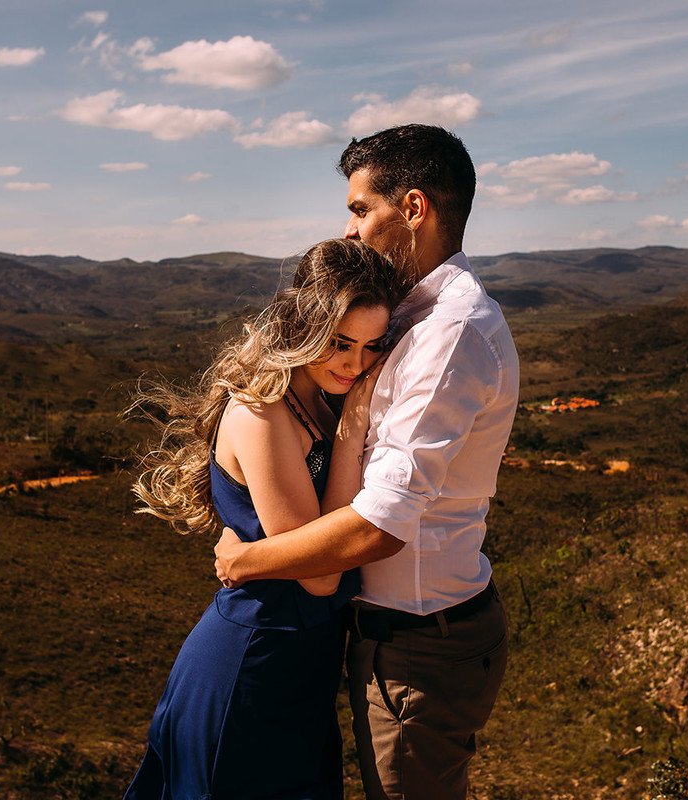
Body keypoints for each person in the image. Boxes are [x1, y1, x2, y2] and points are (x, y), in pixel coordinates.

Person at [214, 124, 520, 800]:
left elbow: (382, 524)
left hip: (418, 645)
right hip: (396, 635)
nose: (349, 231)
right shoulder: (410, 319)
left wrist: (247, 560)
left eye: (359, 209)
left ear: (413, 209)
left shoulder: (448, 335)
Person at [121, 238, 407, 800]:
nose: (356, 364)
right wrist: (350, 437)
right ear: (302, 324)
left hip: (306, 667)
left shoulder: (320, 397)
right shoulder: (263, 412)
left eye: (373, 347)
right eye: (340, 343)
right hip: (252, 663)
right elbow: (320, 574)